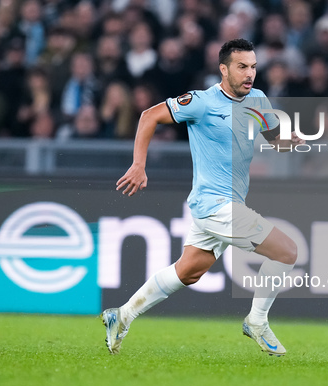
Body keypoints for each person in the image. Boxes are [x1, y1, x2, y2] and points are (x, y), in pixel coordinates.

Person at [101, 38, 304, 356]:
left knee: (189, 271)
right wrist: (139, 164)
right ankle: (257, 322)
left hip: (229, 203)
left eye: (253, 67)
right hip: (214, 204)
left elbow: (273, 138)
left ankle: (121, 315)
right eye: (241, 67)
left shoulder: (260, 99)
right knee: (287, 252)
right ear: (223, 69)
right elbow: (148, 116)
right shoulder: (201, 102)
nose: (249, 74)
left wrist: (287, 142)